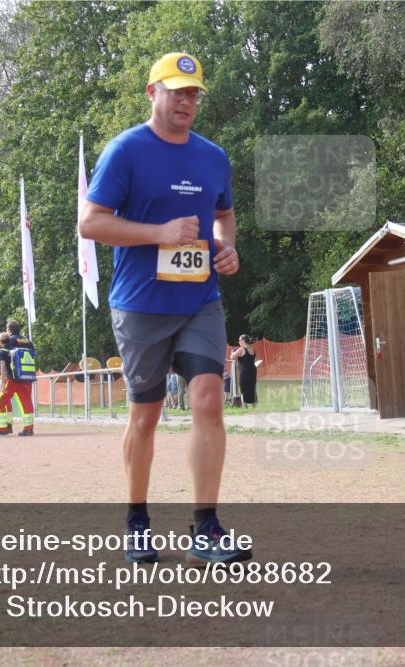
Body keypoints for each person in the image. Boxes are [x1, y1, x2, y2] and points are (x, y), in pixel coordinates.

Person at [79, 52, 250, 565]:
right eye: (177, 91)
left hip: (200, 300)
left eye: (193, 93)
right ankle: (136, 522)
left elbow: (224, 215)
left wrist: (227, 247)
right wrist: (159, 233)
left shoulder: (213, 157)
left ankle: (207, 528)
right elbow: (91, 223)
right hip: (141, 305)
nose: (186, 101)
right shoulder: (125, 151)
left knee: (208, 401)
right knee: (146, 415)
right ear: (152, 92)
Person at [0, 325, 35, 436]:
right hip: (26, 377)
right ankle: (29, 427)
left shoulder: (7, 345)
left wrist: (2, 383)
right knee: (26, 401)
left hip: (12, 379)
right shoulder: (26, 341)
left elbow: (3, 367)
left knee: (1, 400)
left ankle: (4, 427)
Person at [230, 334, 258, 407]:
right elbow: (255, 360)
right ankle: (254, 406)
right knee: (252, 389)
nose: (238, 342)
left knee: (243, 390)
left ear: (243, 341)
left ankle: (245, 408)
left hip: (245, 372)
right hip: (253, 371)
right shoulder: (252, 349)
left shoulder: (242, 349)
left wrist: (234, 352)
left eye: (239, 340)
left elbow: (232, 357)